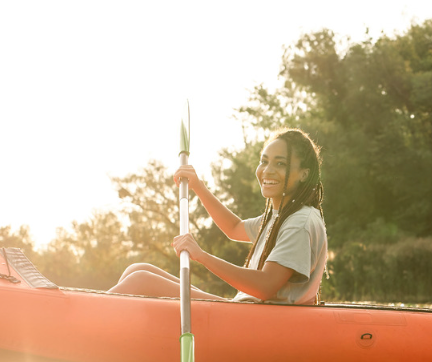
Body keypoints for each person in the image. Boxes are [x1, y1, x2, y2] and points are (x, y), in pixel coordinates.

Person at [109, 128, 327, 304]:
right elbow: (234, 228)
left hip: (256, 323)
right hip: (246, 313)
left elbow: (264, 286)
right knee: (137, 269)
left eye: (280, 163)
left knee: (141, 281)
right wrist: (198, 186)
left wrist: (201, 256)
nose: (267, 170)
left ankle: (82, 326)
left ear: (304, 174)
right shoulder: (281, 216)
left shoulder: (300, 222)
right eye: (264, 161)